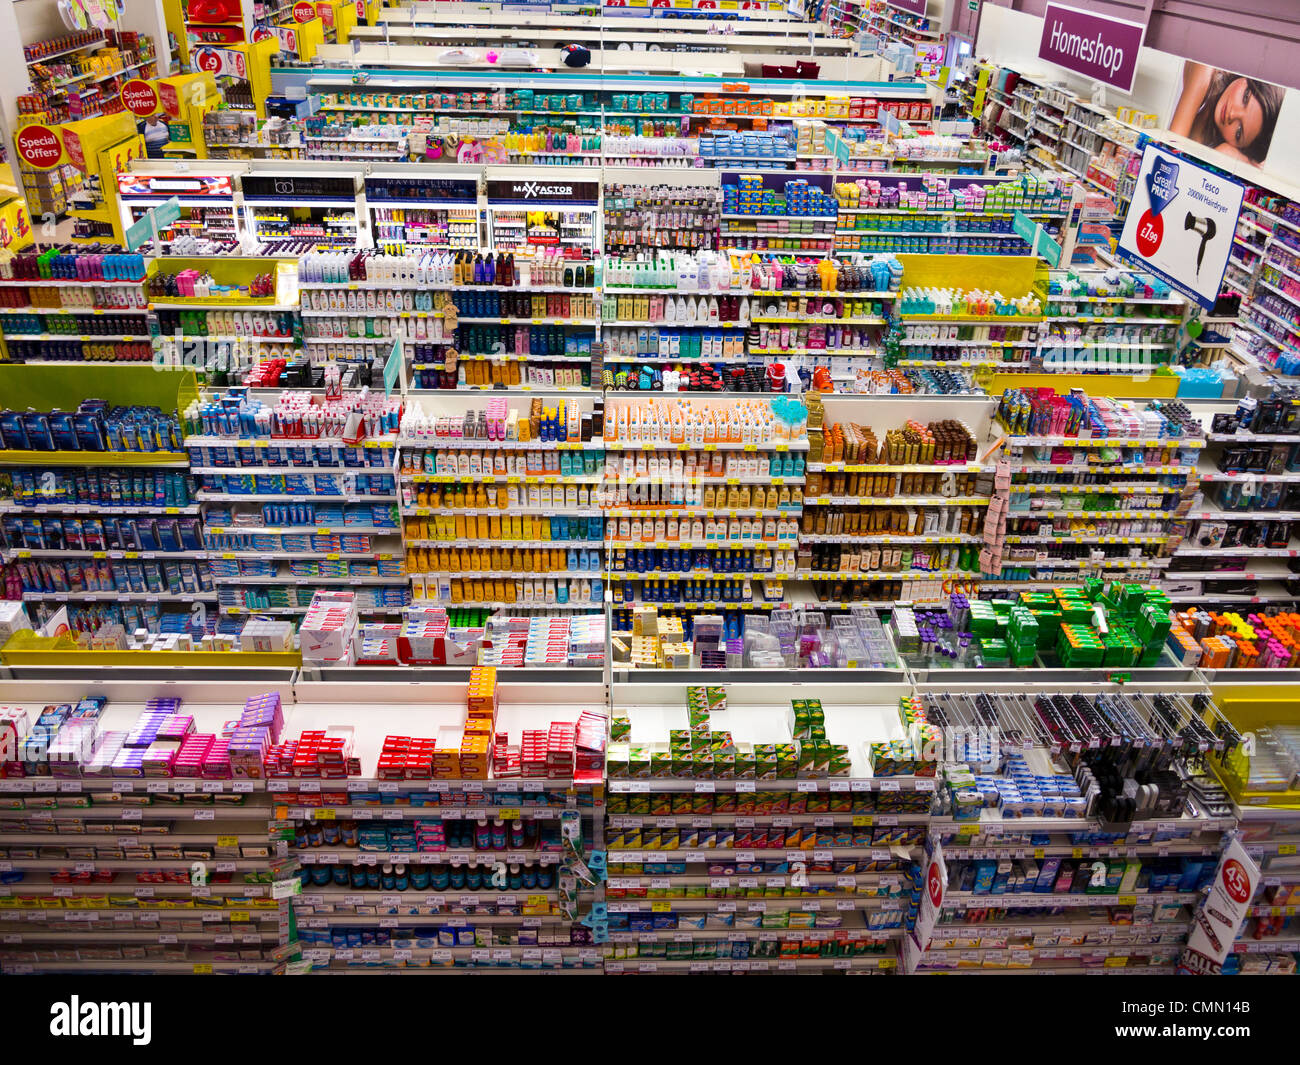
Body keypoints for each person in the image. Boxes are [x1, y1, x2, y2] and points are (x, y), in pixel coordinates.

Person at [1169, 62, 1283, 167]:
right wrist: (1195, 89)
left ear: (1239, 148)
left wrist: (1228, 153)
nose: (1232, 114)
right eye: (1245, 97)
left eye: (1238, 132)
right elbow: (1168, 157)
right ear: (1248, 78)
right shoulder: (1205, 69)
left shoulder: (1211, 128)